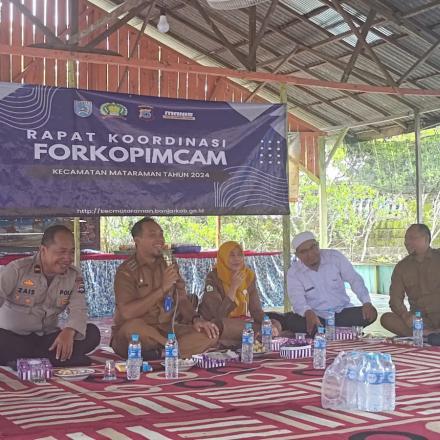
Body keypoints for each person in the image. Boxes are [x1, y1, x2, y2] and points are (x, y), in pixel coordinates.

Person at [111, 217, 219, 360]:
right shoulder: (126, 271)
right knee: (133, 329)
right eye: (152, 235)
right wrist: (162, 289)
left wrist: (196, 319)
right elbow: (127, 313)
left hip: (167, 330)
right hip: (140, 333)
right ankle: (171, 349)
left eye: (161, 234)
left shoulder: (169, 264)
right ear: (137, 241)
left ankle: (161, 353)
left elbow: (182, 300)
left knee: (209, 334)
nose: (160, 239)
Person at [0, 225, 100, 367]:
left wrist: (69, 331)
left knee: (92, 333)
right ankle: (55, 359)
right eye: (62, 252)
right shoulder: (17, 269)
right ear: (43, 250)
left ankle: (27, 361)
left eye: (71, 252)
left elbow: (79, 309)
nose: (68, 258)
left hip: (47, 339)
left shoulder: (74, 275)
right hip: (13, 337)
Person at [268, 231, 377, 336]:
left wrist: (366, 302)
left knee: (371, 314)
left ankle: (324, 332)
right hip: (316, 316)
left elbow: (354, 279)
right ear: (297, 255)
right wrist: (307, 312)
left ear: (318, 245)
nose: (310, 254)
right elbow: (297, 300)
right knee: (296, 322)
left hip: (341, 313)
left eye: (312, 247)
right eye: (304, 251)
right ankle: (342, 332)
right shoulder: (294, 272)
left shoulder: (334, 257)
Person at [198, 241, 280, 348]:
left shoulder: (248, 276)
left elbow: (256, 310)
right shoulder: (213, 277)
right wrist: (233, 288)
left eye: (239, 254)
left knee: (275, 323)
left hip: (241, 323)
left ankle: (250, 336)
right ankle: (253, 336)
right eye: (231, 255)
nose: (237, 259)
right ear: (223, 258)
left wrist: (268, 324)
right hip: (219, 323)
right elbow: (218, 315)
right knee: (224, 326)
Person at [381, 224, 440, 336]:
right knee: (386, 319)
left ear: (426, 239)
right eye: (406, 239)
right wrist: (405, 315)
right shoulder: (401, 267)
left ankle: (425, 335)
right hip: (419, 321)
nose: (407, 243)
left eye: (412, 238)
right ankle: (427, 335)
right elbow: (395, 300)